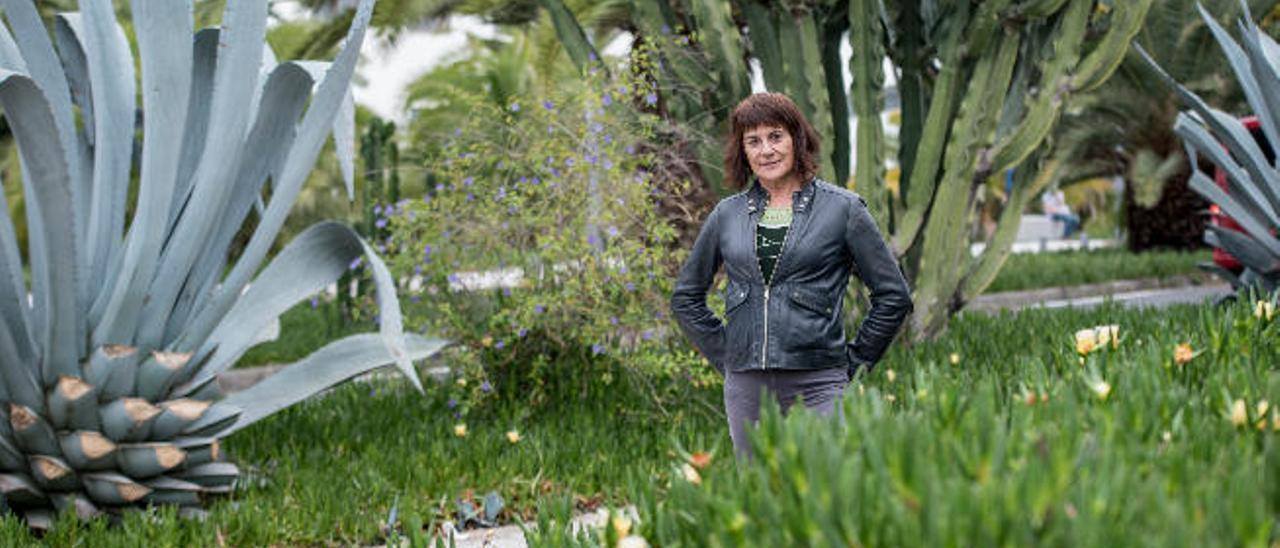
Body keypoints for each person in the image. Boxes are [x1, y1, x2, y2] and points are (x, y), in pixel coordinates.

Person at [670, 93, 912, 459]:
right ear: (743, 151)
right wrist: (730, 357)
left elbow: (894, 296)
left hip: (819, 383)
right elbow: (685, 297)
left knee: (824, 493)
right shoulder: (727, 215)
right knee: (758, 497)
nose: (766, 150)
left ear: (797, 140)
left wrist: (855, 363)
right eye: (753, 141)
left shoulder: (843, 209)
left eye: (775, 136)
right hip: (746, 388)